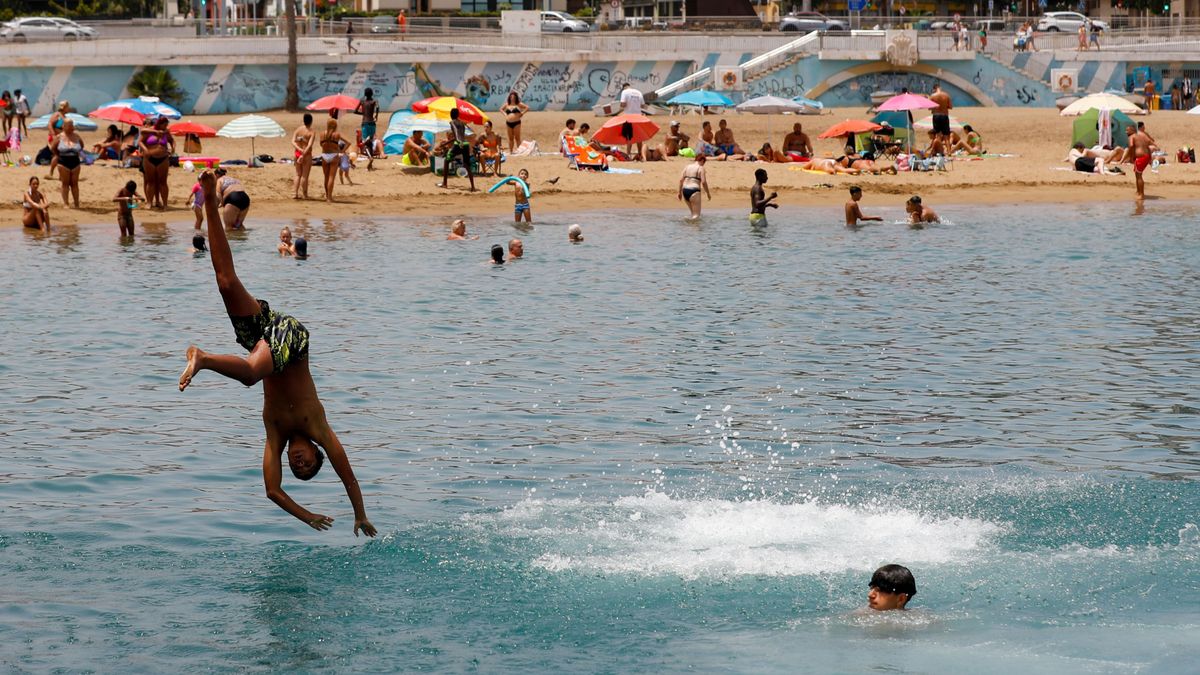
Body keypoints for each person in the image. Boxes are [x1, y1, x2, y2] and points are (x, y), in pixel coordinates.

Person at [178, 171, 376, 537]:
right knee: (252, 374)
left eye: (296, 468)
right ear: (317, 453)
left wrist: (307, 516)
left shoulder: (274, 434)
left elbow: (272, 490)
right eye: (308, 466)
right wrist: (359, 514)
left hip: (263, 343)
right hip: (290, 339)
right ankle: (203, 358)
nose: (299, 464)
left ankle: (208, 196)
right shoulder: (318, 427)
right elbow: (347, 474)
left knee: (225, 282)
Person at [139, 116, 174, 210]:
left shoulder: (166, 132)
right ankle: (149, 202)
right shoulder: (148, 131)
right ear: (159, 124)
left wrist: (173, 148)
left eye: (167, 125)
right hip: (150, 158)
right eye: (164, 125)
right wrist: (145, 150)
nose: (165, 127)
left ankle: (165, 203)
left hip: (163, 159)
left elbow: (172, 140)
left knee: (163, 182)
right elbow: (140, 141)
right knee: (150, 182)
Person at [440, 107, 476, 191]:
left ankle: (444, 183)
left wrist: (459, 142)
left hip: (459, 144)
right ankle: (473, 187)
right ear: (458, 115)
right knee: (467, 165)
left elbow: (456, 133)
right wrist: (446, 143)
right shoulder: (462, 123)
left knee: (446, 160)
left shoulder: (452, 122)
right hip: (465, 144)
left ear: (451, 115)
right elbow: (460, 136)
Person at [51, 119, 84, 208]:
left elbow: (82, 146)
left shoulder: (77, 136)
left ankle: (76, 203)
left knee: (74, 184)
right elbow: (53, 148)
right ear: (63, 126)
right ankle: (66, 203)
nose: (71, 127)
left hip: (75, 162)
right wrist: (59, 156)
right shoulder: (59, 137)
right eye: (68, 125)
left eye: (71, 125)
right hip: (63, 162)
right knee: (65, 183)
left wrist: (76, 153)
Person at [678, 154, 710, 221]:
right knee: (696, 215)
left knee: (693, 214)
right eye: (704, 163)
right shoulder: (701, 168)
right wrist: (708, 193)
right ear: (702, 160)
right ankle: (695, 230)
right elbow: (703, 182)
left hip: (685, 190)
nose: (703, 165)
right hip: (694, 191)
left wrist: (679, 192)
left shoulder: (687, 167)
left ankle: (689, 229)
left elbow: (681, 180)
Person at [318, 118, 343, 202]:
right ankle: (329, 197)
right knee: (331, 177)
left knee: (326, 177)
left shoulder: (322, 134)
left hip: (324, 155)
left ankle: (326, 195)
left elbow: (321, 145)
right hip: (334, 156)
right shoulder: (337, 135)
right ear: (335, 126)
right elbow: (346, 143)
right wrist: (341, 150)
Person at [618, 83, 645, 159]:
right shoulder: (638, 92)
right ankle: (640, 153)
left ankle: (628, 154)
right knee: (639, 136)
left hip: (629, 117)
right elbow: (643, 105)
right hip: (638, 116)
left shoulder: (624, 92)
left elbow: (623, 104)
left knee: (629, 136)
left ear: (624, 87)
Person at [354, 88, 379, 171]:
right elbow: (378, 107)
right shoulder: (375, 101)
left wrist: (363, 113)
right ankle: (370, 165)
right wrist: (376, 116)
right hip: (372, 123)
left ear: (365, 94)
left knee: (365, 143)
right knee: (371, 142)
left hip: (365, 123)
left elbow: (355, 111)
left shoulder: (362, 101)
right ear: (372, 94)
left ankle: (370, 158)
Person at [292, 113, 315, 199]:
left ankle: (295, 193)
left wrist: (299, 149)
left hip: (297, 153)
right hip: (306, 154)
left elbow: (293, 141)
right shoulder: (312, 132)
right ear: (311, 121)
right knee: (305, 175)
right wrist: (303, 153)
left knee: (298, 174)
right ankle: (305, 194)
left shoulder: (298, 130)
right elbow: (309, 145)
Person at [1128, 123, 1154, 200]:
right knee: (1137, 175)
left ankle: (1141, 194)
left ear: (1133, 130)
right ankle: (1138, 191)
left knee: (1139, 176)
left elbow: (1131, 146)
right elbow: (1148, 145)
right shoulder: (1141, 136)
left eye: (1128, 130)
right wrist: (1150, 158)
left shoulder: (1131, 137)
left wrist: (1131, 157)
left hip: (1141, 157)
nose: (1126, 132)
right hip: (1146, 156)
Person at [46, 101, 70, 178]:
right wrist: (53, 135)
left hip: (61, 138)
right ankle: (51, 172)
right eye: (67, 107)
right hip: (56, 137)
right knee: (58, 155)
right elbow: (50, 124)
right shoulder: (57, 115)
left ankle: (58, 174)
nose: (68, 108)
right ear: (64, 107)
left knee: (61, 155)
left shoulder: (63, 116)